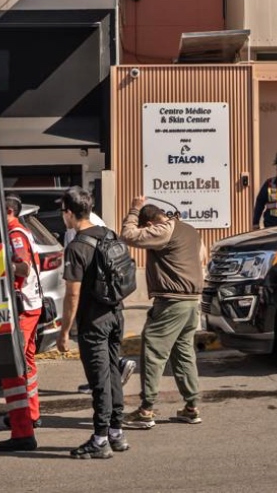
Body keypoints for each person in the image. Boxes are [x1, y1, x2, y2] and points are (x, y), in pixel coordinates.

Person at [120, 196, 205, 429]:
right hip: (191, 302)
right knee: (184, 354)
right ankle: (191, 407)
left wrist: (134, 208)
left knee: (153, 350)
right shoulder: (190, 230)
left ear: (149, 224)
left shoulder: (163, 229)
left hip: (171, 302)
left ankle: (146, 411)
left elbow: (127, 235)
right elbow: (202, 259)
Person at [56, 187, 129, 458]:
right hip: (115, 315)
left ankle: (100, 441)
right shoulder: (109, 234)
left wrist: (64, 332)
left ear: (69, 213)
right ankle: (116, 433)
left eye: (63, 210)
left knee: (99, 381)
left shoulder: (76, 247)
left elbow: (72, 294)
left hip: (93, 322)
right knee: (112, 375)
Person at [0, 196, 43, 452]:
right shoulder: (24, 231)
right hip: (32, 305)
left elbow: (23, 268)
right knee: (28, 363)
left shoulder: (15, 234)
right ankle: (32, 414)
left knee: (13, 368)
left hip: (22, 309)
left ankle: (22, 431)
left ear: (9, 211)